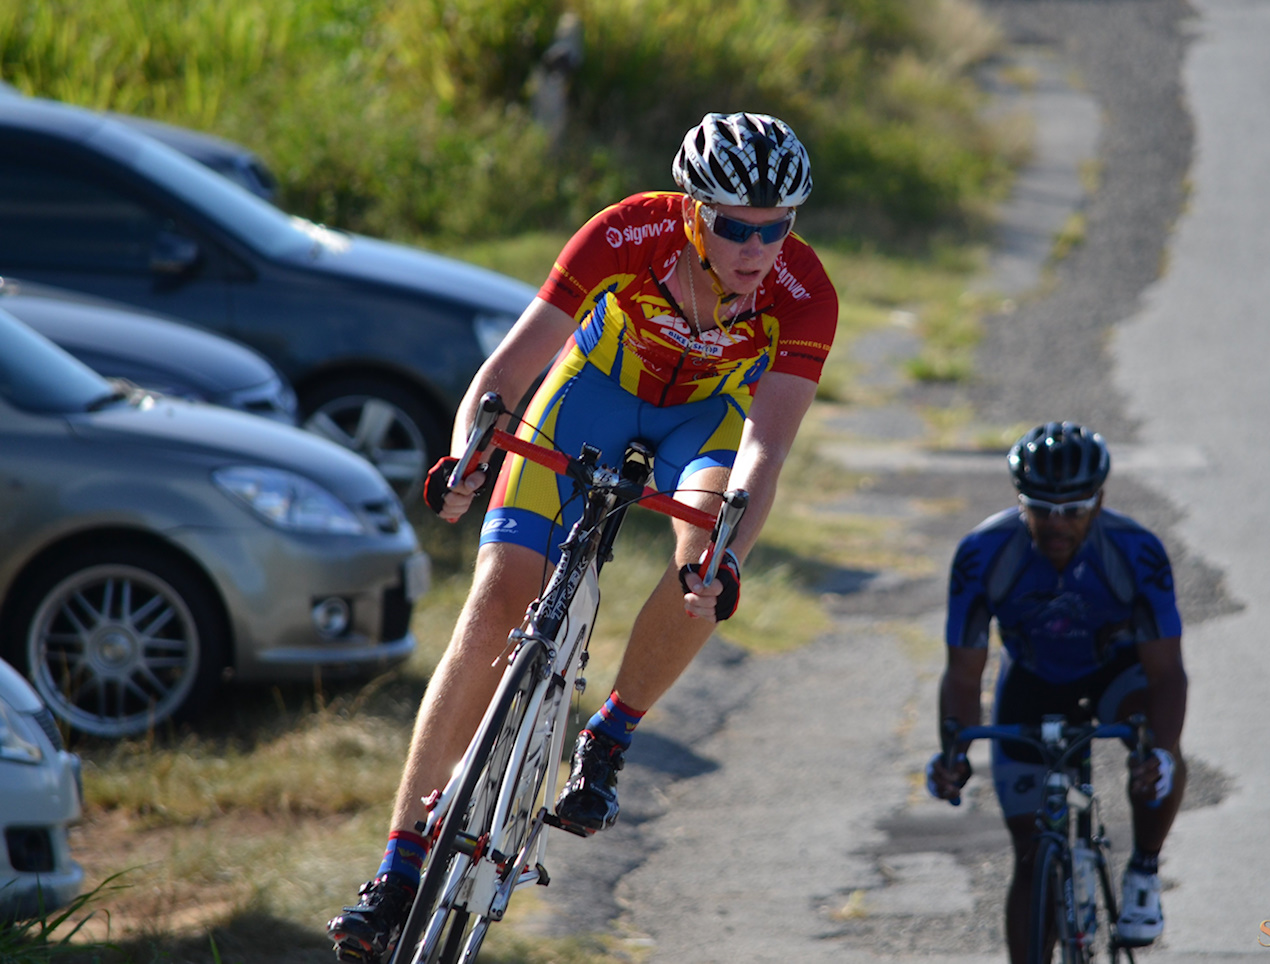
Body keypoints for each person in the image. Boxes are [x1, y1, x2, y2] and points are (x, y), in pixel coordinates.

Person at [328, 112, 837, 962]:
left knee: (705, 561)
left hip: (704, 423)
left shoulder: (804, 291)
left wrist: (728, 549)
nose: (757, 246)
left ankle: (609, 732)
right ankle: (396, 870)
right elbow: (506, 373)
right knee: (495, 601)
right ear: (691, 211)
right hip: (591, 390)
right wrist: (466, 456)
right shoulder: (627, 230)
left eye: (776, 227)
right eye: (735, 226)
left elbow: (766, 446)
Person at [926, 422, 1187, 961]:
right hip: (1032, 680)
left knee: (1153, 752)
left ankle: (1143, 870)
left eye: (1074, 508)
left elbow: (1166, 674)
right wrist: (953, 751)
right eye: (1041, 507)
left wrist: (1159, 751)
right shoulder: (982, 555)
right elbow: (963, 674)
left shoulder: (1137, 553)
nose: (1056, 522)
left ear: (1101, 501)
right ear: (1021, 501)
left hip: (1117, 678)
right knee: (1030, 852)